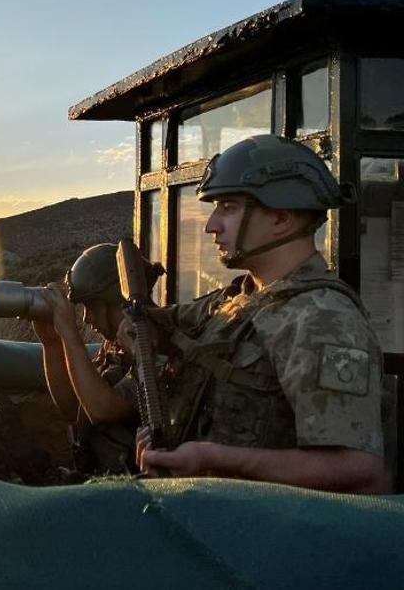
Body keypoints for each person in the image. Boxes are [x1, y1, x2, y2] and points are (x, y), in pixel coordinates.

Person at [119, 134, 390, 494]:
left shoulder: (322, 319)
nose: (211, 225)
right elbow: (158, 325)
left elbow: (362, 472)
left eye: (228, 207)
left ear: (281, 219)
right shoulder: (238, 298)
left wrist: (216, 460)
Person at [32, 243, 162, 475]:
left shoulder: (155, 344)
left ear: (116, 300)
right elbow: (73, 408)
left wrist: (70, 334)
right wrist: (51, 343)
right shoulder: (115, 347)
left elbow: (102, 409)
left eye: (91, 306)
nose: (87, 317)